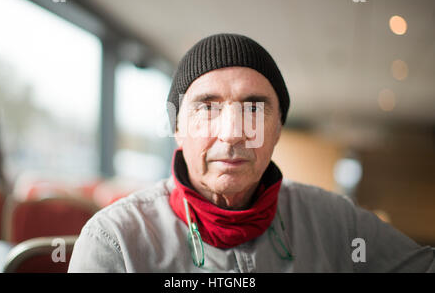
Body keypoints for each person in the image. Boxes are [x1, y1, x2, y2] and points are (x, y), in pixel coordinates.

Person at [68, 33, 434, 272]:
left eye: (254, 109)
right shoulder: (116, 241)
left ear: (277, 130)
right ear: (177, 128)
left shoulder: (336, 222)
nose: (232, 134)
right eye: (207, 107)